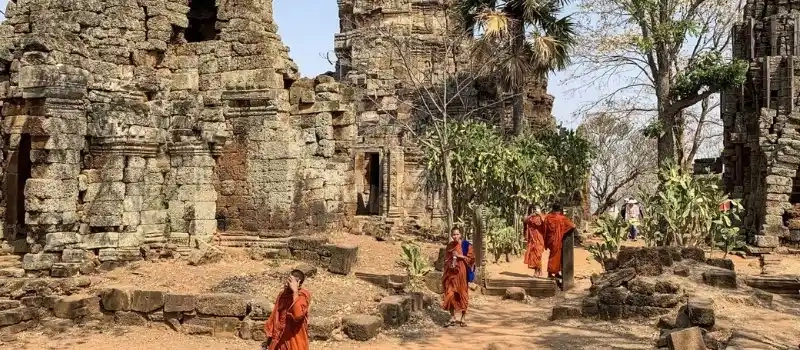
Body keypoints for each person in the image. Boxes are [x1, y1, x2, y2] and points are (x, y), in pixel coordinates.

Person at [264, 269, 311, 350]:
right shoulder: (282, 295)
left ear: (298, 284)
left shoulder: (302, 297)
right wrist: (268, 341)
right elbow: (275, 317)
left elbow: (298, 315)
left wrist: (295, 291)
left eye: (290, 282)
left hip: (293, 341)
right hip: (278, 340)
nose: (286, 284)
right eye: (287, 280)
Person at [441, 227, 475, 328]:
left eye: (457, 234)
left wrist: (460, 256)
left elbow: (472, 259)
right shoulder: (450, 246)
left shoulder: (466, 245)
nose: (455, 236)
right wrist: (449, 263)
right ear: (451, 236)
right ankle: (452, 317)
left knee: (462, 294)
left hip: (462, 273)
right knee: (450, 294)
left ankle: (463, 319)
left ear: (461, 235)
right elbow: (446, 259)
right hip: (451, 273)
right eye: (453, 235)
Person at [543, 203, 576, 286]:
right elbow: (572, 226)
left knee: (555, 256)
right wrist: (563, 232)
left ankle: (556, 273)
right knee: (555, 257)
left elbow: (545, 229)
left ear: (553, 209)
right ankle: (550, 273)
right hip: (557, 240)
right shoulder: (562, 218)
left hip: (550, 240)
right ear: (560, 209)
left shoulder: (547, 217)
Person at [523, 205, 546, 277]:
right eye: (534, 209)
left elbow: (545, 222)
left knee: (538, 255)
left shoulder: (542, 217)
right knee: (533, 255)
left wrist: (540, 214)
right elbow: (524, 220)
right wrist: (531, 215)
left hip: (540, 238)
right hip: (532, 238)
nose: (535, 211)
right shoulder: (531, 218)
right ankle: (537, 271)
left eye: (537, 209)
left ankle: (538, 270)